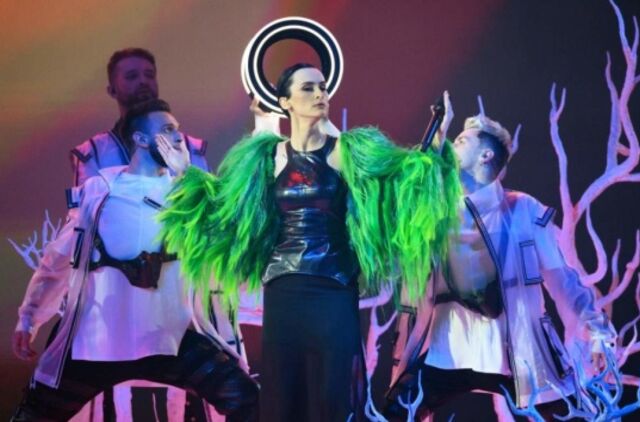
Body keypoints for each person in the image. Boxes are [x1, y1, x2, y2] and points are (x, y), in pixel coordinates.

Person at [159, 63, 462, 421]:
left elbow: (404, 183)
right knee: (285, 392)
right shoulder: (265, 157)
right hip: (284, 291)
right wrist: (184, 173)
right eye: (308, 88)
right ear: (285, 102)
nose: (320, 94)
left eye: (323, 87)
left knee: (333, 392)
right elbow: (224, 210)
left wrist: (438, 137)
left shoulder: (348, 151)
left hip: (333, 289)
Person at [11, 99, 259, 422]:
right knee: (35, 413)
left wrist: (188, 178)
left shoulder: (187, 192)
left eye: (178, 129)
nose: (178, 136)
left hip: (168, 339)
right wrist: (29, 317)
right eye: (167, 129)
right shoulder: (99, 192)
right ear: (141, 139)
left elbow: (223, 240)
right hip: (98, 343)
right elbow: (59, 258)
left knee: (246, 400)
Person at [383, 96, 616, 421]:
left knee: (574, 415)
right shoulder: (435, 213)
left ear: (486, 155)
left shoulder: (523, 210)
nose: (450, 146)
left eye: (460, 141)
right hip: (445, 354)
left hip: (517, 354)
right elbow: (407, 196)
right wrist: (436, 136)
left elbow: (563, 280)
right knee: (395, 413)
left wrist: (597, 332)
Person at [69, 48, 209, 186]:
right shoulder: (93, 152)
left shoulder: (189, 146)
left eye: (149, 75)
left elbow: (209, 197)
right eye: (132, 76)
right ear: (112, 90)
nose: (143, 81)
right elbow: (87, 201)